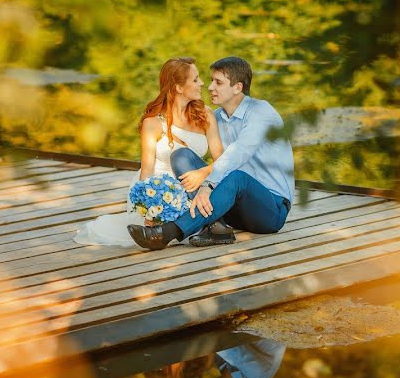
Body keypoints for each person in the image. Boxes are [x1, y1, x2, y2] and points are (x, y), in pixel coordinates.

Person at [128, 56, 295, 250]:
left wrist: (206, 183)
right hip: (233, 206)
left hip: (270, 209)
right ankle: (217, 227)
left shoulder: (261, 112)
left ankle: (167, 233)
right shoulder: (216, 118)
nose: (209, 87)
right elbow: (212, 159)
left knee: (237, 178)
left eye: (218, 82)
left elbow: (238, 153)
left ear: (238, 87)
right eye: (211, 80)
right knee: (181, 155)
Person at [74, 57, 223, 246]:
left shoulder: (205, 114)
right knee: (176, 224)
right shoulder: (152, 123)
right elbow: (146, 171)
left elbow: (222, 160)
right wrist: (149, 206)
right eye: (195, 79)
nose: (202, 83)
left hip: (194, 184)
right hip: (159, 188)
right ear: (178, 87)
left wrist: (204, 173)